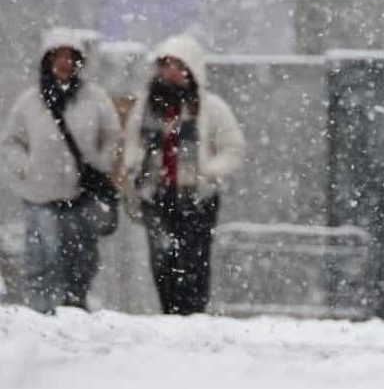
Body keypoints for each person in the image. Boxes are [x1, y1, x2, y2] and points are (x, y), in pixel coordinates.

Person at [122, 35, 246, 315]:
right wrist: (134, 166)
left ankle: (192, 314)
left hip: (196, 198)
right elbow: (131, 141)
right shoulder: (147, 107)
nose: (171, 72)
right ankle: (171, 313)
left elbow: (234, 149)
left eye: (178, 65)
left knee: (194, 261)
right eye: (165, 65)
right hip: (157, 194)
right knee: (161, 260)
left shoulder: (210, 108)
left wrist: (208, 171)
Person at [2, 29, 121, 312]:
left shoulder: (95, 98)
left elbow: (112, 135)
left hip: (79, 194)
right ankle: (40, 315)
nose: (64, 63)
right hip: (39, 195)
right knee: (41, 260)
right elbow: (11, 142)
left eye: (70, 57)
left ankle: (73, 310)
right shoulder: (30, 101)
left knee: (80, 260)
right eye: (58, 56)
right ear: (47, 61)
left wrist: (100, 164)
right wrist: (25, 168)